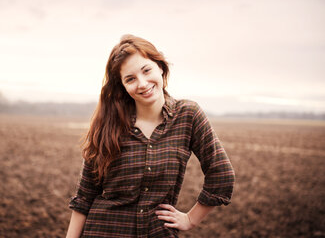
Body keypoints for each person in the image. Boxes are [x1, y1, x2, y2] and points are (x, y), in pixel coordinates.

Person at [66, 34, 235, 238]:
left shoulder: (188, 115)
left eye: (146, 70)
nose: (143, 83)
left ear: (160, 67)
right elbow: (84, 197)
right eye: (130, 79)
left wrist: (191, 219)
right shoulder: (108, 124)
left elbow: (221, 174)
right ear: (123, 87)